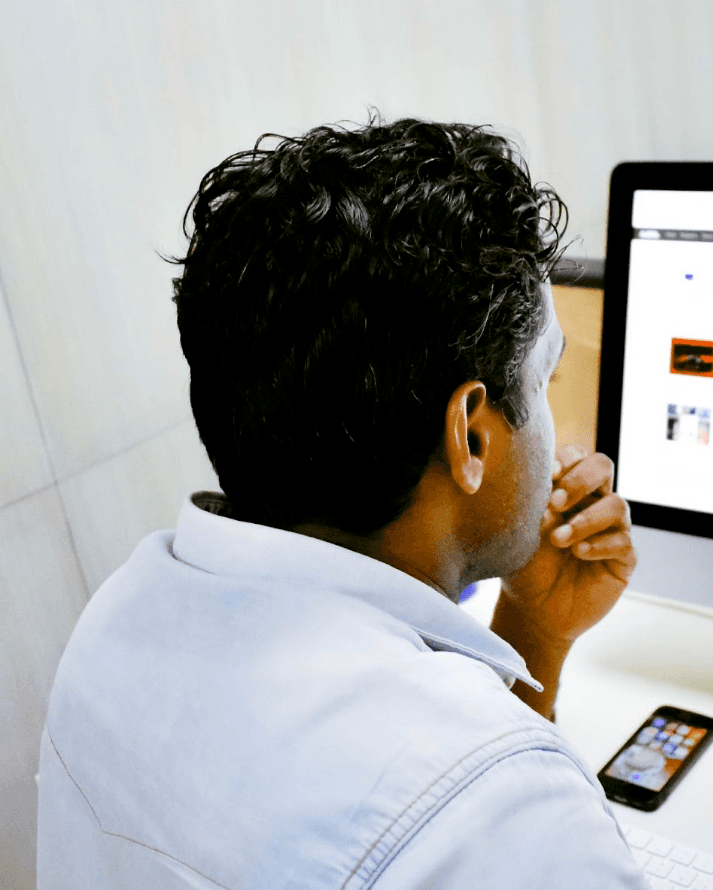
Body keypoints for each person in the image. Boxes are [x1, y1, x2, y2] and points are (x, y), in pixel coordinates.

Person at [37, 116, 647, 889]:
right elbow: (474, 812)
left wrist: (534, 630)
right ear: (472, 438)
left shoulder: (114, 625)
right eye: (545, 378)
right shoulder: (503, 804)